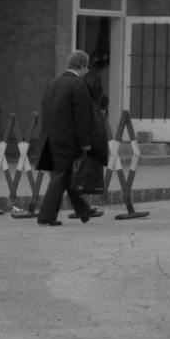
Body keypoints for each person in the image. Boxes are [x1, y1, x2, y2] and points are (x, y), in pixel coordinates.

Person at [35, 50, 107, 226]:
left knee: (66, 174)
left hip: (49, 138)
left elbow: (45, 111)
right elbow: (81, 117)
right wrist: (86, 143)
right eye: (86, 67)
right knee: (61, 175)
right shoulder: (78, 85)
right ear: (82, 65)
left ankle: (83, 209)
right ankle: (46, 215)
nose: (86, 71)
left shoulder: (53, 83)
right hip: (67, 139)